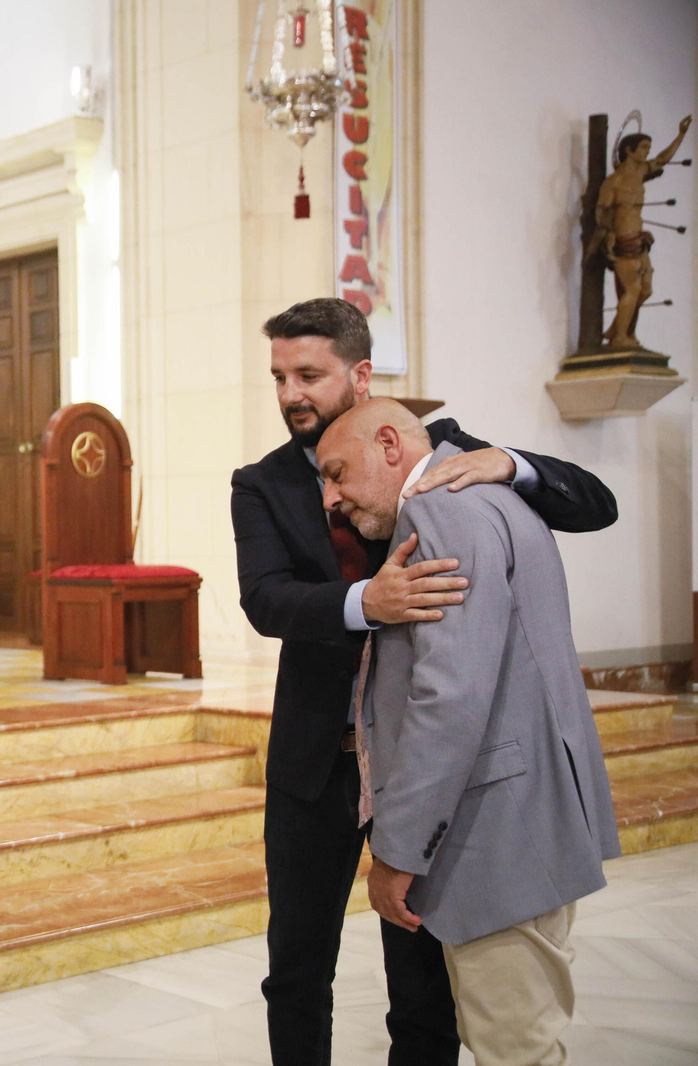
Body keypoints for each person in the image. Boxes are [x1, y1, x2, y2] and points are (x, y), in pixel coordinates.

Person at [229, 297, 618, 1066]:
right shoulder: (264, 482)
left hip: (419, 760)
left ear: (361, 376)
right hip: (318, 756)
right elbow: (264, 598)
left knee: (422, 975)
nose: (290, 394)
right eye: (278, 377)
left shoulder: (447, 462)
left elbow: (595, 505)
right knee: (299, 966)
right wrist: (360, 602)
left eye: (308, 374)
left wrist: (516, 463)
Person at [316, 398, 618, 1066]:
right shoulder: (493, 493)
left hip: (497, 829)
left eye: (337, 472)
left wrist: (396, 852)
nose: (331, 497)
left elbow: (449, 697)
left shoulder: (438, 508)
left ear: (389, 443)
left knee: (516, 1049)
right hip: (536, 811)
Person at [594, 115, 691, 350]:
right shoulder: (614, 182)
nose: (648, 152)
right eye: (644, 147)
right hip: (623, 240)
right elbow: (602, 211)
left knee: (646, 289)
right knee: (633, 289)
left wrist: (681, 134)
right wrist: (608, 234)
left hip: (640, 239)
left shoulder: (639, 175)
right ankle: (619, 338)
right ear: (629, 150)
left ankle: (616, 328)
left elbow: (663, 159)